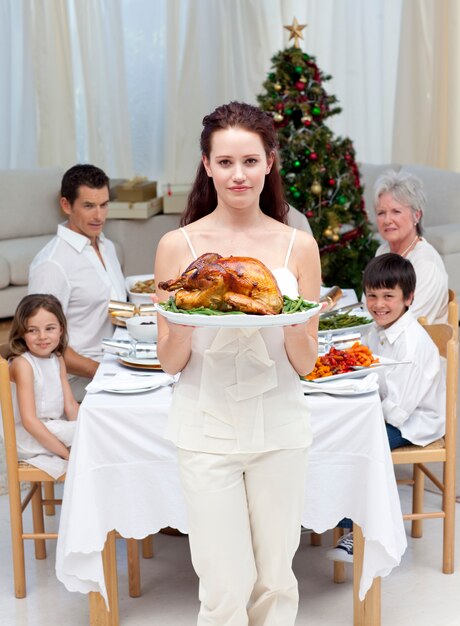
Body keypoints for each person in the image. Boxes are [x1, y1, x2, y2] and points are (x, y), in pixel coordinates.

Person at [154, 101, 321, 625]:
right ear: (206, 166)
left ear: (270, 162)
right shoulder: (177, 246)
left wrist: (294, 321)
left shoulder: (298, 245)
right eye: (225, 162)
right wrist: (183, 318)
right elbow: (169, 362)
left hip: (279, 424)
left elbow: (306, 362)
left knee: (275, 579)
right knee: (223, 586)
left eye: (249, 161)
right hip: (205, 426)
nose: (238, 174)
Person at [327, 253, 445, 563]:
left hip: (415, 423)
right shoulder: (377, 330)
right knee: (334, 431)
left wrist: (358, 408)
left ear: (408, 298)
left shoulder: (411, 345)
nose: (379, 304)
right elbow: (370, 373)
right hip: (389, 410)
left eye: (388, 296)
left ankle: (359, 530)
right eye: (372, 295)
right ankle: (332, 511)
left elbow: (397, 413)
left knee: (355, 444)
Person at [28, 164, 126, 401]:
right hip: (75, 382)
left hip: (114, 361)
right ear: (66, 205)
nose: (99, 216)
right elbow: (44, 345)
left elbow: (113, 310)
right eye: (89, 206)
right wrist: (104, 373)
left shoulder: (107, 246)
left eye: (104, 205)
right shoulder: (52, 265)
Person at [8, 294, 79, 473]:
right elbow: (29, 421)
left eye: (50, 328)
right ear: (22, 333)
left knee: (95, 429)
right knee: (98, 438)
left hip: (53, 426)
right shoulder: (23, 365)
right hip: (31, 436)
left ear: (61, 329)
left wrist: (82, 426)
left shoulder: (57, 358)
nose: (42, 337)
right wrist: (66, 453)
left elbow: (70, 404)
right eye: (32, 330)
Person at [373, 169, 448, 324]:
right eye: (381, 213)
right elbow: (371, 307)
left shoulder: (426, 264)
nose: (387, 220)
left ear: (417, 216)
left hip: (417, 345)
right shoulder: (383, 251)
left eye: (396, 211)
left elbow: (408, 324)